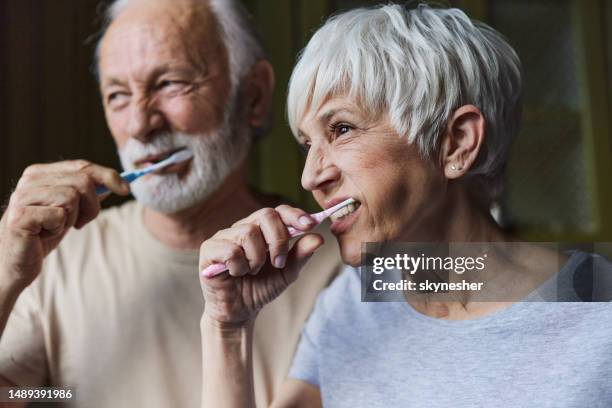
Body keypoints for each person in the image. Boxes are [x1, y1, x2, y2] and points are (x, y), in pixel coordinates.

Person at [197, 3, 612, 407]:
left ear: (456, 144)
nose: (310, 177)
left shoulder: (601, 315)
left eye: (341, 129)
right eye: (308, 144)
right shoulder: (351, 301)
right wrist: (227, 327)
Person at [0, 0, 340, 406]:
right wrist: (6, 272)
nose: (140, 125)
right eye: (118, 95)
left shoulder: (346, 261)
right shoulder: (54, 262)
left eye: (169, 84)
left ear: (253, 96)